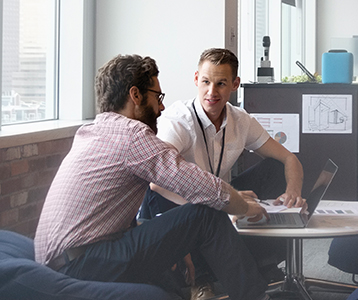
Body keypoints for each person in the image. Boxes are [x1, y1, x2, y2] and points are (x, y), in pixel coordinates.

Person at [34, 54, 274, 300]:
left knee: (170, 273)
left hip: (63, 261)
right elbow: (197, 184)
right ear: (136, 95)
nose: (161, 107)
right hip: (80, 264)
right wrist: (244, 207)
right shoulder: (131, 135)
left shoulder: (94, 131)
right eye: (157, 97)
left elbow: (100, 223)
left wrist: (177, 244)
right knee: (206, 214)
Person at [139, 48, 305, 298]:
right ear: (196, 79)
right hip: (171, 199)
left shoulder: (241, 120)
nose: (211, 92)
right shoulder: (179, 120)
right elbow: (157, 182)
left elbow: (289, 159)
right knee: (203, 212)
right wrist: (225, 202)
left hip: (215, 195)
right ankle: (201, 280)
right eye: (205, 82)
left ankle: (262, 260)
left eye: (221, 83)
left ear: (235, 84)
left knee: (273, 168)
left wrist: (293, 194)